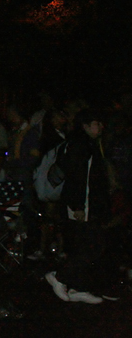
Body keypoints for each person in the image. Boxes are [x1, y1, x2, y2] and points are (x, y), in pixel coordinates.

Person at [45, 109, 116, 304]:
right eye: (96, 123)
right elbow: (79, 177)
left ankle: (78, 286)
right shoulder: (81, 145)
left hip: (89, 203)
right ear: (85, 125)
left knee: (85, 244)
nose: (100, 127)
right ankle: (60, 276)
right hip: (82, 204)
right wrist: (78, 205)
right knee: (93, 244)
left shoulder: (88, 144)